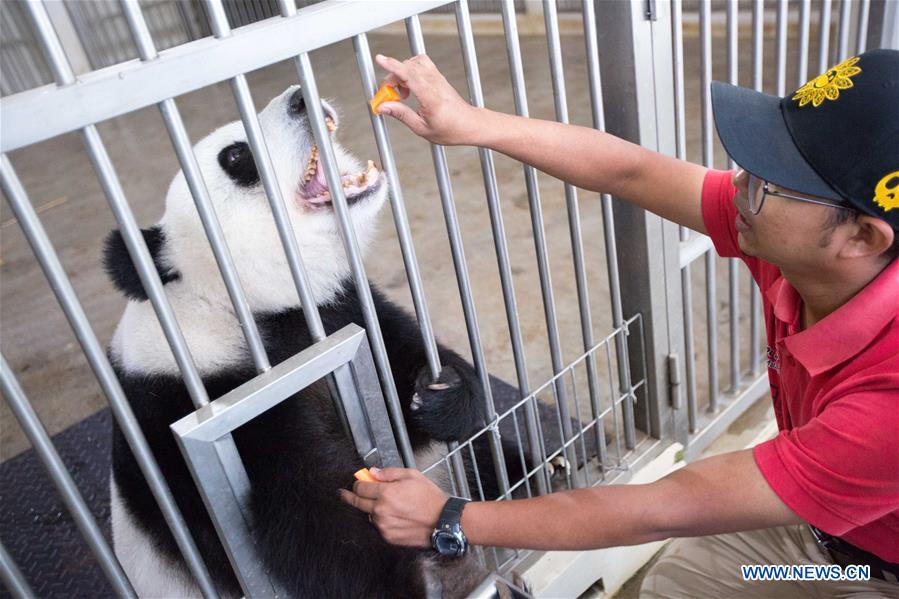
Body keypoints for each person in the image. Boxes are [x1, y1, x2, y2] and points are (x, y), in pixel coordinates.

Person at [340, 48, 899, 596]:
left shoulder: (888, 405)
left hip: (881, 570)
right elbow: (630, 171)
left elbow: (665, 507)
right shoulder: (799, 245)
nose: (740, 183)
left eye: (769, 180)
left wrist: (449, 517)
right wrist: (471, 122)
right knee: (678, 583)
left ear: (863, 237)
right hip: (828, 547)